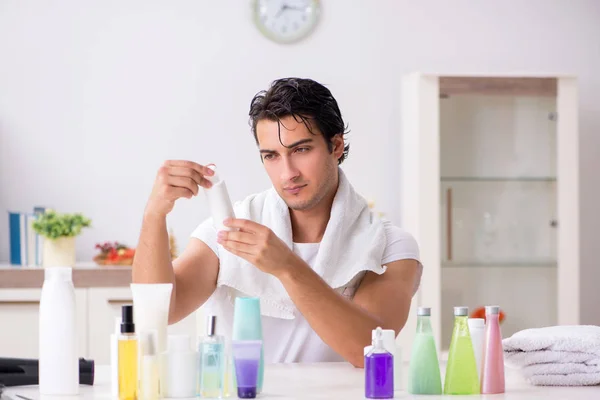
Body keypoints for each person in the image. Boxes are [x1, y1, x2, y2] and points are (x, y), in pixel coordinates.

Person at [132, 77, 422, 367]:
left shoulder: (389, 246)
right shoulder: (229, 230)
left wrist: (287, 266)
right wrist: (154, 216)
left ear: (335, 146)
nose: (287, 173)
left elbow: (367, 350)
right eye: (271, 156)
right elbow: (158, 312)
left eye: (301, 150)